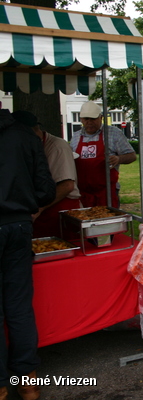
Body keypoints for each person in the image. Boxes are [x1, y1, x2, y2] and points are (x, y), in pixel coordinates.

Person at [0, 108, 56, 400]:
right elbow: (46, 190)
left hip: (13, 223)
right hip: (19, 225)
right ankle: (27, 382)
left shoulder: (23, 135)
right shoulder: (25, 135)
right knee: (19, 305)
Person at [12, 111, 81, 238]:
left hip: (60, 209)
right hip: (40, 210)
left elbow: (67, 186)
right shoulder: (28, 146)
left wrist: (39, 209)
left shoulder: (57, 146)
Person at [70, 101, 136, 208]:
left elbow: (132, 156)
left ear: (100, 117)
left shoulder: (114, 133)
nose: (89, 122)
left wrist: (119, 159)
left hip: (106, 193)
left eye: (93, 119)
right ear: (81, 119)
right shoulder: (76, 137)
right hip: (83, 194)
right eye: (86, 119)